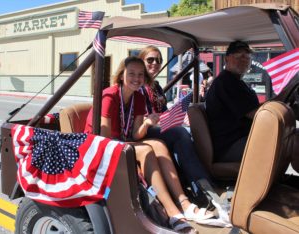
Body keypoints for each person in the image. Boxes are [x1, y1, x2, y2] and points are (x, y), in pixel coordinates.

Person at [85, 57, 213, 233]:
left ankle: (184, 202)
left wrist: (146, 124)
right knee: (145, 150)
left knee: (159, 144)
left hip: (120, 141)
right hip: (99, 146)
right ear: (122, 75)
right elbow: (105, 137)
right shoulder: (110, 95)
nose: (136, 78)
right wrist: (131, 139)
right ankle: (172, 213)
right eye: (131, 73)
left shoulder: (137, 97)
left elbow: (136, 133)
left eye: (140, 75)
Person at [138, 46, 212, 194]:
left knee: (191, 130)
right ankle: (201, 187)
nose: (155, 63)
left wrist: (176, 116)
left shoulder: (156, 86)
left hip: (160, 126)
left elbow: (164, 111)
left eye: (158, 60)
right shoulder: (138, 85)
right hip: (143, 129)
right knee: (180, 133)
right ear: (141, 61)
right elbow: (139, 117)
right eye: (150, 59)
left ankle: (194, 180)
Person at [205, 41, 260, 163]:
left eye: (247, 57)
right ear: (227, 59)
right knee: (292, 141)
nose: (244, 60)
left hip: (241, 140)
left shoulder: (237, 82)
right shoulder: (226, 82)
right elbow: (256, 114)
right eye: (239, 56)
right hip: (230, 146)